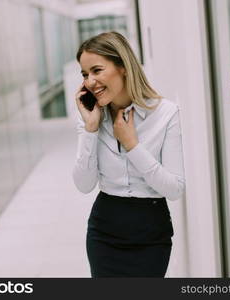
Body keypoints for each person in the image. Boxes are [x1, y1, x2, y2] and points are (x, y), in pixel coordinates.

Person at [72, 32, 185, 277]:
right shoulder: (92, 116)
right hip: (105, 232)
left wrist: (132, 145)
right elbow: (83, 184)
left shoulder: (166, 113)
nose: (90, 81)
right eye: (84, 74)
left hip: (151, 233)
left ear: (123, 67)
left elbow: (175, 189)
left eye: (97, 70)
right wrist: (90, 128)